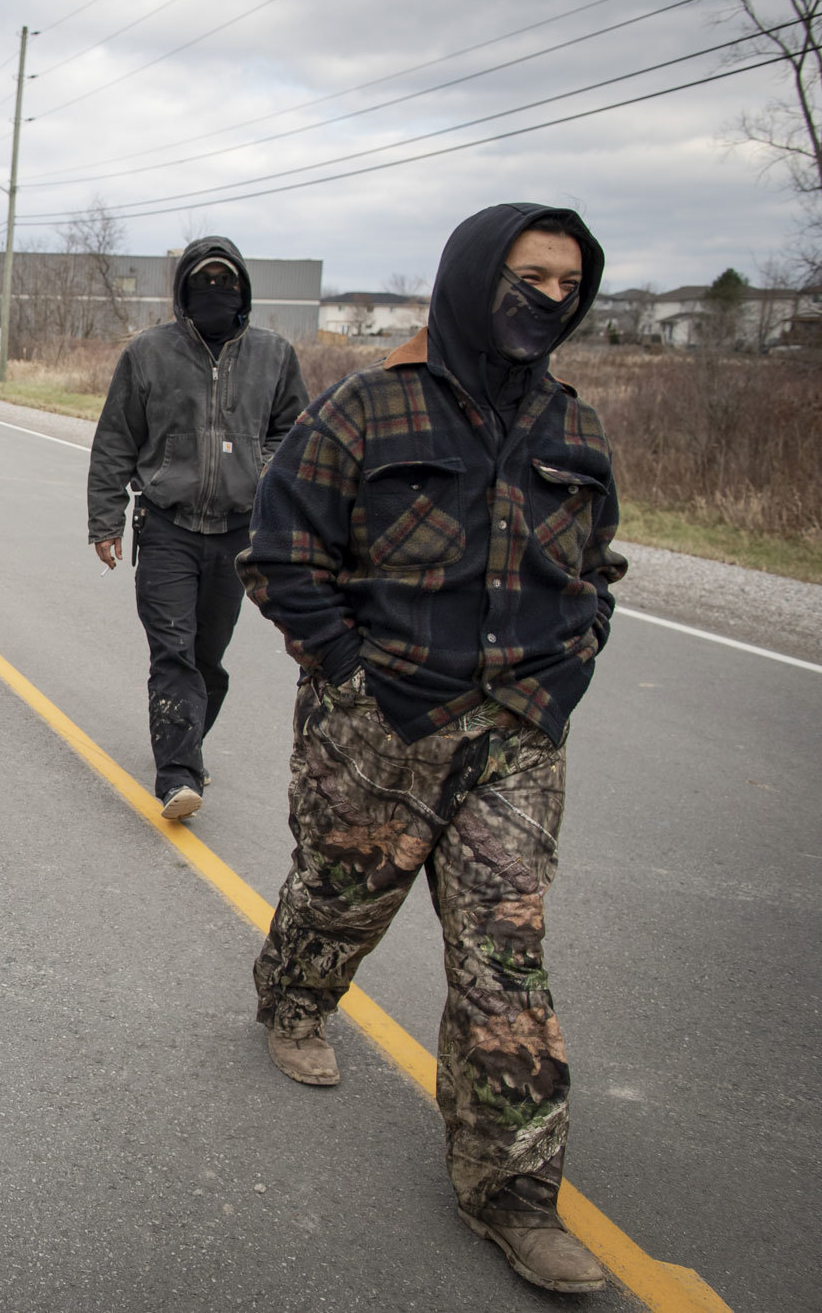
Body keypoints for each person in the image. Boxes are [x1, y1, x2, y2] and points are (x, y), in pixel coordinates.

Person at [238, 203, 626, 1293]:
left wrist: (573, 656)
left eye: (566, 282)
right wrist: (347, 672)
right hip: (380, 729)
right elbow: (277, 553)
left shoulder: (575, 431)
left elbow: (597, 571)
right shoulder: (365, 409)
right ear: (469, 278)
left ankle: (511, 1194)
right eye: (526, 274)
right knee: (339, 896)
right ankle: (292, 997)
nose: (548, 297)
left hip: (515, 739)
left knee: (505, 962)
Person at [86, 236, 307, 819]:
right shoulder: (148, 353)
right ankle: (178, 775)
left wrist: (263, 474)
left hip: (237, 536)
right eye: (204, 283)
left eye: (226, 282)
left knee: (208, 661)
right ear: (183, 291)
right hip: (167, 527)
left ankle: (187, 741)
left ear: (244, 292)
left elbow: (296, 437)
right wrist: (105, 519)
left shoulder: (275, 356)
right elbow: (115, 441)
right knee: (173, 653)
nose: (216, 292)